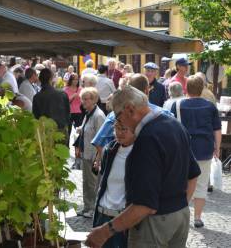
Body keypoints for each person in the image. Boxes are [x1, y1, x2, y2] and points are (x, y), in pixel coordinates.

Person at [86, 86, 201, 248]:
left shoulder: (146, 139)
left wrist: (106, 231)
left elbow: (144, 205)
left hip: (154, 224)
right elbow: (193, 174)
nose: (118, 122)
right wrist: (178, 206)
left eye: (118, 117)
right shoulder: (175, 125)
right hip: (180, 216)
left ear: (130, 110)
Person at [171, 75, 221, 228]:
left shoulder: (177, 105)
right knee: (201, 183)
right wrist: (217, 148)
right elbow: (217, 130)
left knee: (181, 183)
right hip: (204, 149)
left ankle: (181, 214)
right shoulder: (210, 106)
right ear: (202, 89)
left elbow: (171, 128)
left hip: (184, 149)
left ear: (186, 88)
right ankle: (197, 218)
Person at [93, 121, 135, 248]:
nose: (119, 133)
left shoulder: (140, 153)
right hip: (103, 214)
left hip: (122, 219)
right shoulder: (110, 149)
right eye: (117, 128)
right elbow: (104, 183)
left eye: (124, 129)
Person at [76, 87, 105, 218]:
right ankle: (87, 206)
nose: (83, 101)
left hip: (93, 155)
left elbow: (102, 139)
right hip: (86, 153)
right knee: (86, 181)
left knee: (93, 183)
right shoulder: (89, 113)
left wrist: (98, 158)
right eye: (82, 99)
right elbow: (86, 129)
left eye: (86, 99)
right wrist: (80, 129)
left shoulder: (98, 115)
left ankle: (93, 209)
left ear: (94, 100)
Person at [64, 73, 83, 139]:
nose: (75, 81)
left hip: (79, 112)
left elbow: (83, 101)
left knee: (79, 131)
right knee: (68, 131)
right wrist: (73, 96)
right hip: (69, 112)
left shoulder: (80, 89)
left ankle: (79, 146)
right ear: (70, 80)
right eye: (74, 79)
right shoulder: (66, 89)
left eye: (77, 79)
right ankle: (67, 146)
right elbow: (65, 101)